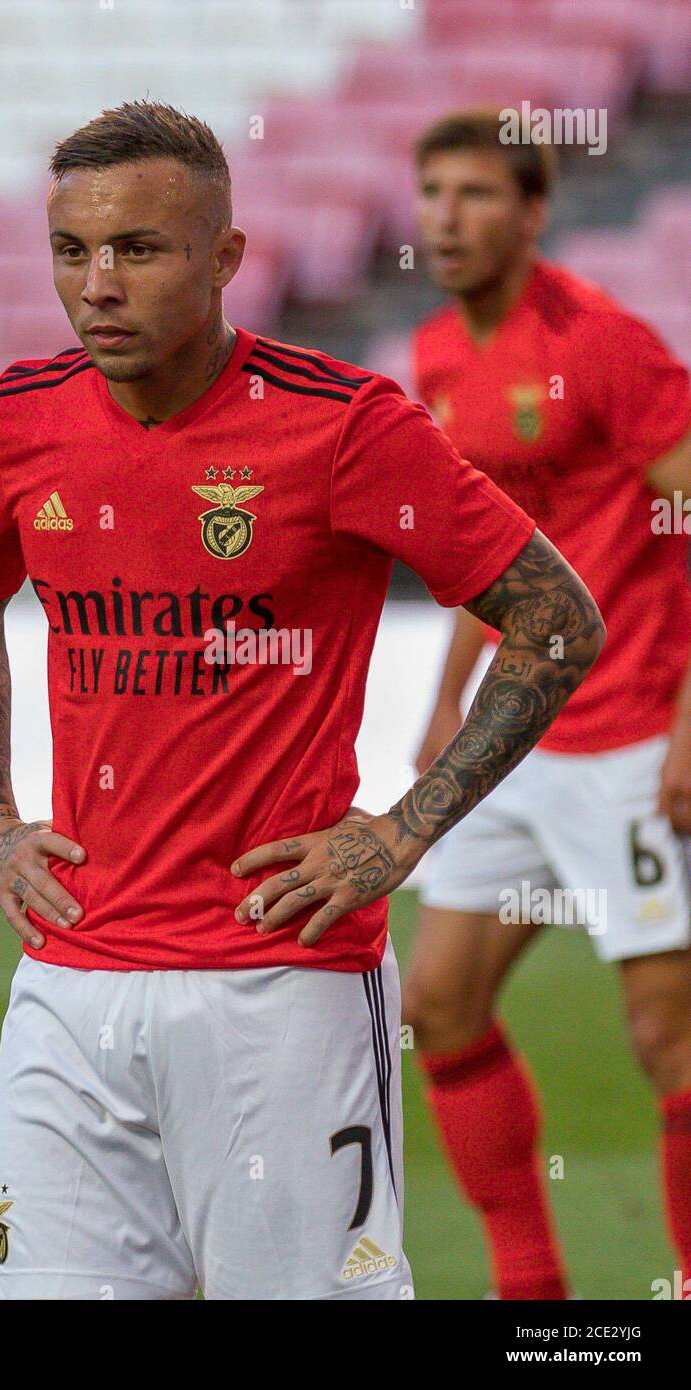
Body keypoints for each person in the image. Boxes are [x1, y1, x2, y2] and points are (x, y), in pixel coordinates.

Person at [0, 100, 603, 1301]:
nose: (99, 285)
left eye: (139, 248)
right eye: (72, 251)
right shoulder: (23, 418)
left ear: (228, 257)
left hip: (278, 987)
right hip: (68, 984)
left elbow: (554, 618)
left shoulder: (343, 425)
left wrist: (401, 829)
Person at [405, 109, 691, 1299]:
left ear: (530, 213)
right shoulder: (430, 358)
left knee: (664, 1040)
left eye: (474, 194)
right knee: (435, 1001)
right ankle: (530, 1292)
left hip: (630, 729)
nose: (445, 217)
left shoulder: (606, 346)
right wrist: (442, 714)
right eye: (431, 194)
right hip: (512, 735)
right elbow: (494, 560)